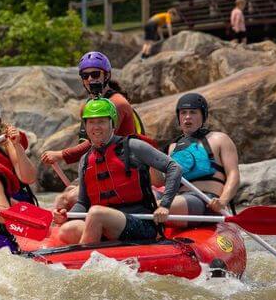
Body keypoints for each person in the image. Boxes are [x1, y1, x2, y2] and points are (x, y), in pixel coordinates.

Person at [53, 98, 182, 245]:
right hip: (105, 222)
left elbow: (174, 168)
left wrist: (165, 205)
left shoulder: (133, 146)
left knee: (96, 213)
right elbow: (83, 202)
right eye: (91, 122)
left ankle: (83, 263)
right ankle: (99, 250)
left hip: (140, 223)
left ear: (112, 124)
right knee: (68, 229)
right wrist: (66, 216)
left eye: (101, 122)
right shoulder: (85, 159)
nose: (95, 127)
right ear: (85, 126)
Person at [40, 51, 151, 210]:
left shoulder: (118, 104)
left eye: (95, 74)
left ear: (106, 75)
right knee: (62, 201)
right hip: (102, 165)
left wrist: (60, 154)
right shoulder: (87, 107)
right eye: (85, 76)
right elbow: (87, 143)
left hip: (123, 169)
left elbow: (98, 143)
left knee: (65, 200)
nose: (90, 79)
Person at [162, 93, 240, 221]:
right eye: (183, 113)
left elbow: (233, 174)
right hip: (178, 200)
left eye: (193, 112)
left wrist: (223, 201)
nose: (187, 117)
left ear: (203, 115)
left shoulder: (219, 139)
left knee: (157, 205)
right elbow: (159, 182)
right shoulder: (171, 148)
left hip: (207, 202)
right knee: (148, 199)